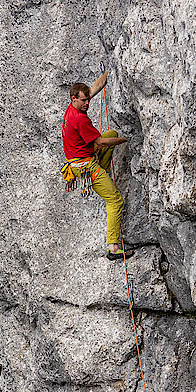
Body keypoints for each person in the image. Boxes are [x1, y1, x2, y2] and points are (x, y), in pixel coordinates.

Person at [61, 71, 133, 260]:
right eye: (84, 101)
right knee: (115, 200)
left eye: (88, 100)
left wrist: (111, 70)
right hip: (86, 168)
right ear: (74, 99)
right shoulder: (79, 119)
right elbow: (100, 143)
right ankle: (113, 247)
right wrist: (126, 139)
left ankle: (104, 173)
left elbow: (95, 88)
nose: (87, 104)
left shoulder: (75, 107)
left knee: (111, 133)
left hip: (83, 159)